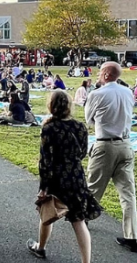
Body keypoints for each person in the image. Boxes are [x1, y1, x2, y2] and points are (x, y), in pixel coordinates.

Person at [27, 91, 101, 263]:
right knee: (79, 221)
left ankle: (41, 247)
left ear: (51, 105)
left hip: (55, 178)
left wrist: (44, 186)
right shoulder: (80, 127)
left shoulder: (48, 128)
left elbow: (45, 160)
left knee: (47, 214)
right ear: (69, 105)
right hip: (76, 176)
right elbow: (82, 152)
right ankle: (86, 261)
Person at [85, 62, 137, 252]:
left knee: (93, 187)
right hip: (125, 144)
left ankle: (84, 221)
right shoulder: (128, 92)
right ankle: (131, 236)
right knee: (128, 193)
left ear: (107, 75)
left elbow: (89, 120)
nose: (99, 74)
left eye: (101, 71)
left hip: (105, 144)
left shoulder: (96, 94)